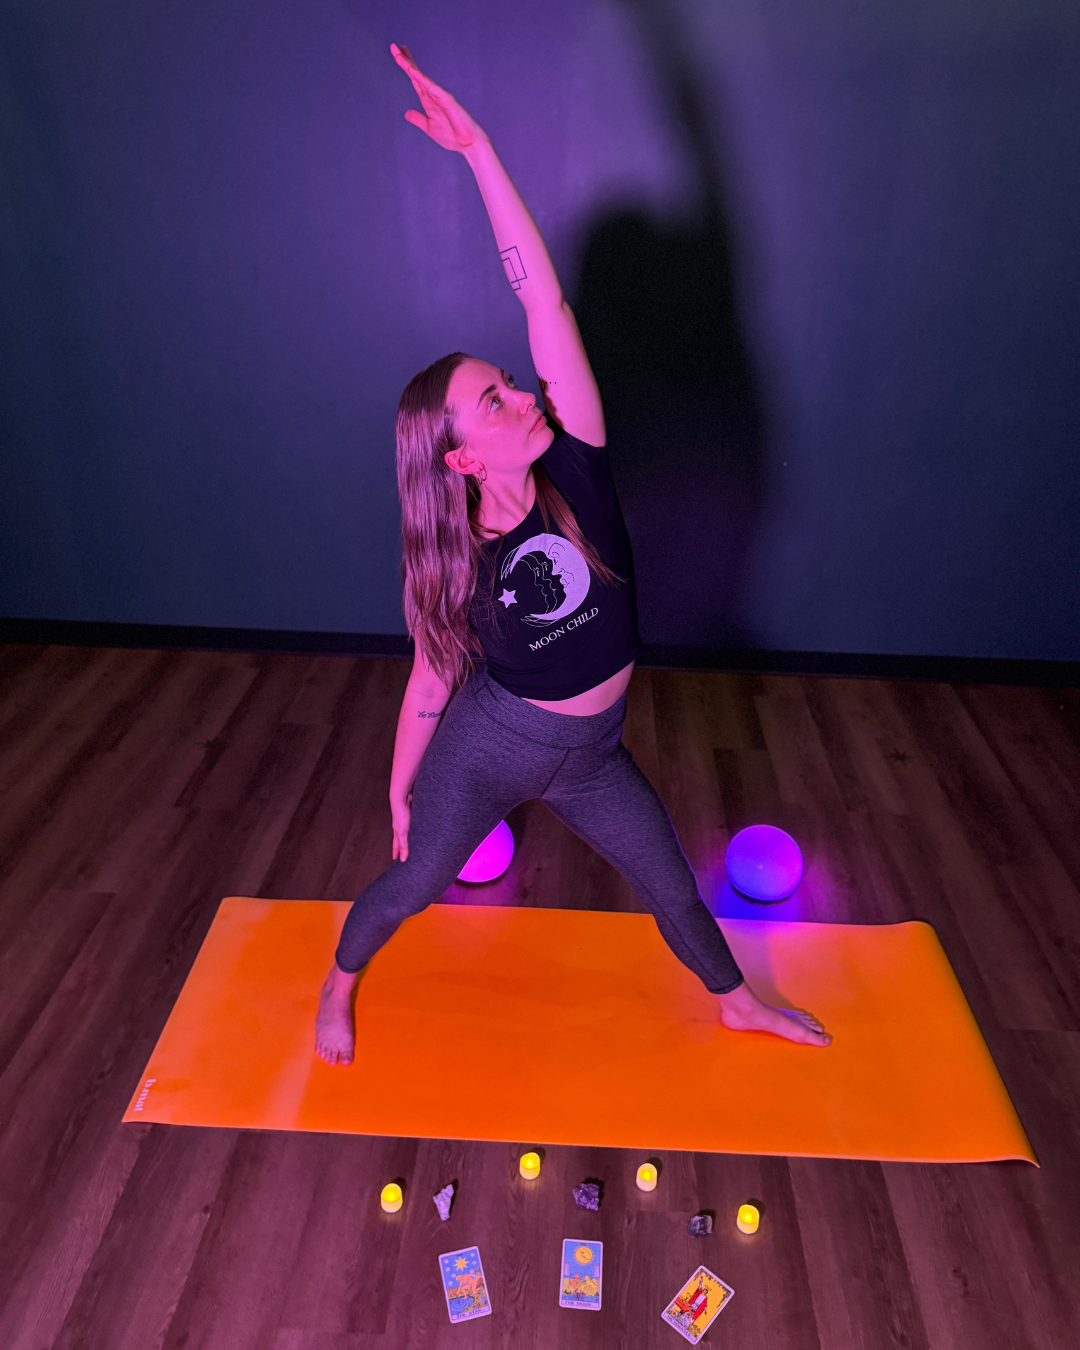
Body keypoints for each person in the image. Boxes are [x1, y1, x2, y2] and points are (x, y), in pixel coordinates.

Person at [315, 43, 831, 1065]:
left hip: (594, 755)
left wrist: (479, 155)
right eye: (496, 402)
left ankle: (735, 1000)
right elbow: (429, 678)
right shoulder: (455, 558)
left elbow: (542, 306)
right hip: (493, 743)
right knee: (416, 883)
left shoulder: (578, 460)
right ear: (462, 455)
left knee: (670, 881)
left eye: (510, 379)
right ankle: (337, 989)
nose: (525, 393)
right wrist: (397, 783)